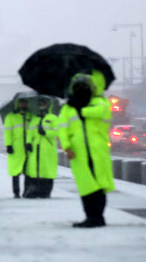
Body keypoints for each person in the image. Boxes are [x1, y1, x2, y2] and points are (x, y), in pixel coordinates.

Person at [58, 71, 115, 228]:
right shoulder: (67, 109)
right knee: (86, 186)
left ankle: (98, 217)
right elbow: (62, 129)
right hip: (78, 153)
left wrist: (80, 110)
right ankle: (91, 216)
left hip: (98, 151)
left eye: (85, 87)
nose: (82, 90)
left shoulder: (100, 102)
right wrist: (67, 147)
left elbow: (101, 112)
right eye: (79, 87)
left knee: (99, 186)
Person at [3, 97, 34, 198]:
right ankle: (16, 192)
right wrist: (8, 144)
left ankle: (27, 192)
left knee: (28, 171)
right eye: (22, 103)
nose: (24, 105)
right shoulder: (11, 117)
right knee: (15, 171)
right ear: (17, 104)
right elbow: (8, 132)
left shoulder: (31, 115)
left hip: (29, 147)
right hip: (17, 148)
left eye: (25, 102)